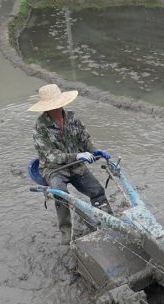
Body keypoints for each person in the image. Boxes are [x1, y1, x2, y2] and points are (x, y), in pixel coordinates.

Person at [29, 84, 113, 245]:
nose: (57, 107)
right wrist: (78, 155)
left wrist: (96, 151)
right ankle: (66, 236)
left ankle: (108, 222)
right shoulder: (39, 128)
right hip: (54, 169)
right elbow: (52, 156)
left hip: (76, 165)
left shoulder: (72, 118)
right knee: (61, 195)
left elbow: (85, 139)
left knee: (97, 190)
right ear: (46, 107)